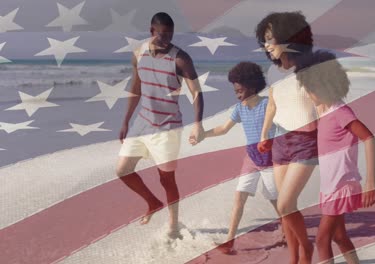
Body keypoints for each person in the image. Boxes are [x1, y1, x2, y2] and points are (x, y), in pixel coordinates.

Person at [116, 12, 204, 239]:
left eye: (170, 34)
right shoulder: (138, 54)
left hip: (168, 128)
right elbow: (136, 88)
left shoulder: (180, 58)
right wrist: (126, 121)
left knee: (166, 179)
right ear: (151, 32)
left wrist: (198, 124)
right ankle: (153, 203)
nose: (167, 39)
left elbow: (196, 93)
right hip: (141, 123)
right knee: (122, 170)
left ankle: (173, 226)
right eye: (162, 35)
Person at [296, 50, 375, 264]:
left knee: (322, 240)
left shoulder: (341, 112)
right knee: (340, 236)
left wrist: (370, 182)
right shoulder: (325, 112)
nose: (308, 94)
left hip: (341, 186)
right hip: (331, 187)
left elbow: (369, 139)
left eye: (310, 90)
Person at [197, 62, 280, 254]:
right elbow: (223, 129)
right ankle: (230, 240)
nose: (238, 95)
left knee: (276, 200)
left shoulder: (268, 104)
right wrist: (204, 135)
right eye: (235, 91)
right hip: (251, 159)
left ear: (252, 86)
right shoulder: (239, 108)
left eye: (240, 91)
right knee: (239, 197)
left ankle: (288, 229)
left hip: (270, 160)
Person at [256, 12, 318, 264]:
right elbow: (272, 105)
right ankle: (294, 259)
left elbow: (325, 106)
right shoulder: (272, 72)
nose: (266, 45)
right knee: (287, 210)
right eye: (264, 40)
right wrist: (264, 135)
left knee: (284, 204)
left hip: (306, 141)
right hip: (280, 139)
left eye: (270, 39)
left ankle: (307, 249)